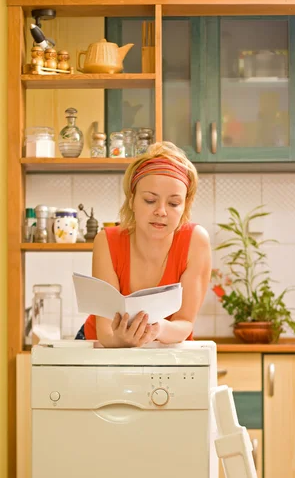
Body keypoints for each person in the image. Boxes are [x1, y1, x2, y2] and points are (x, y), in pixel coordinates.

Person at [76, 141, 212, 347]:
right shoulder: (107, 241)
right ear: (132, 200)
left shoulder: (196, 241)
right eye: (150, 200)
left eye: (174, 203)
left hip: (166, 344)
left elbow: (184, 323)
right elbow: (105, 332)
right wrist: (120, 340)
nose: (161, 211)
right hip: (102, 346)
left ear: (185, 206)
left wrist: (158, 329)